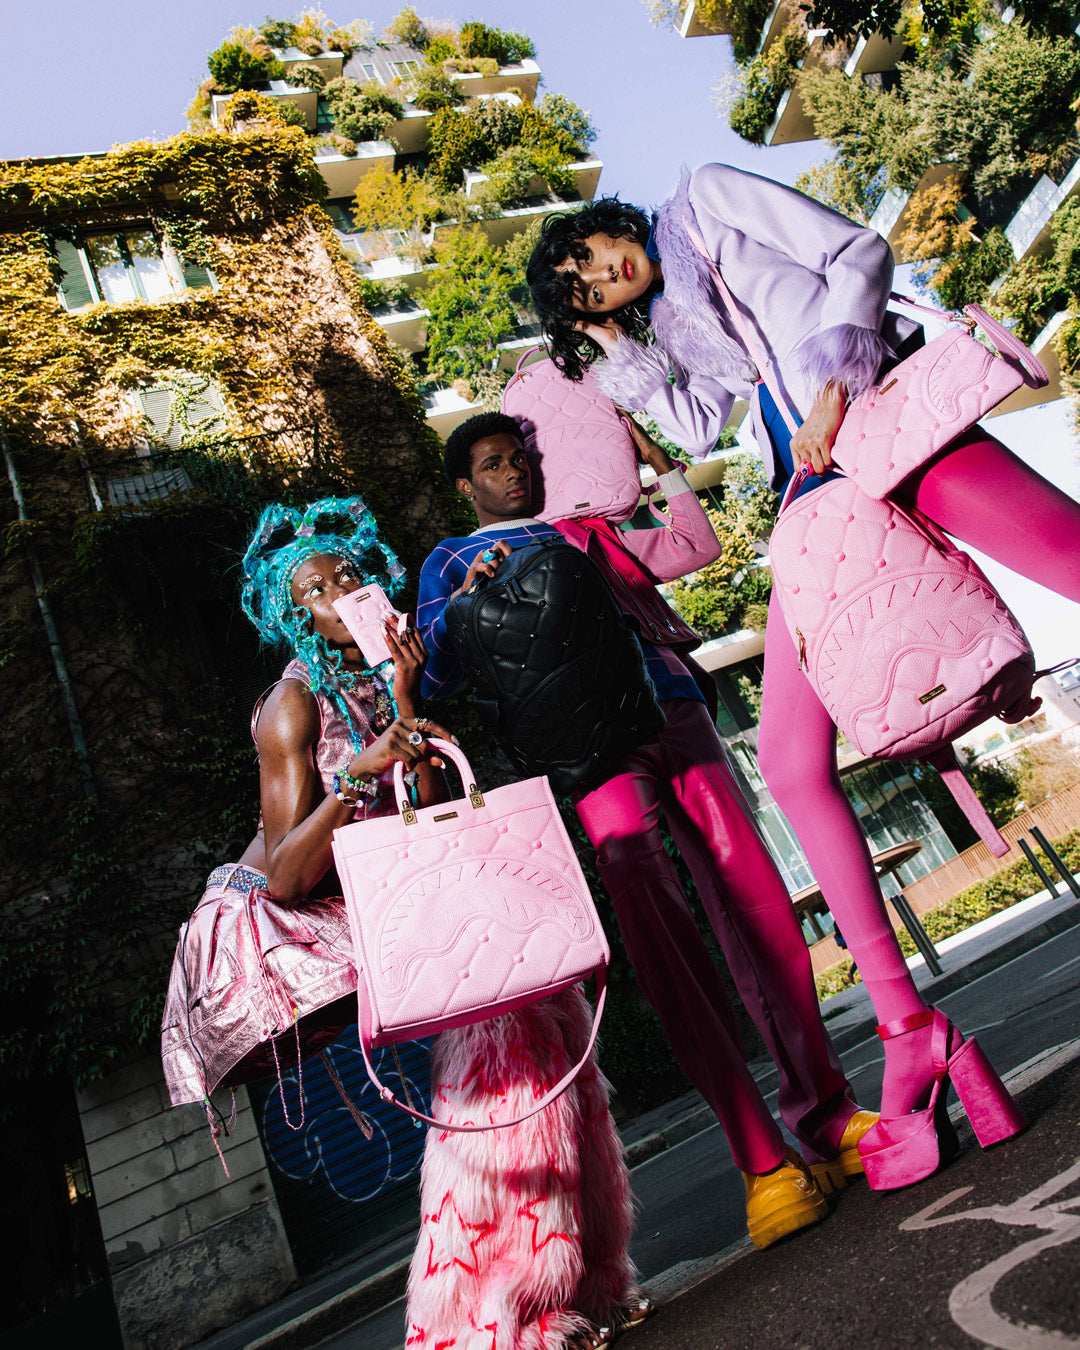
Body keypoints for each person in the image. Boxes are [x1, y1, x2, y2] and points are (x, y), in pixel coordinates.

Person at [525, 164, 1071, 1186]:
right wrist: (617, 358)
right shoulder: (675, 322)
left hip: (884, 425)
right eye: (582, 292)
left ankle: (917, 1040)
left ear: (607, 225)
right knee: (785, 758)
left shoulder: (705, 201)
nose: (600, 278)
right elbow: (699, 427)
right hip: (815, 496)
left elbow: (859, 251)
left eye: (589, 258)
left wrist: (831, 388)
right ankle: (910, 1029)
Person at [160, 497, 642, 1350]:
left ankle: (590, 1283)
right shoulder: (291, 705)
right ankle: (482, 1319)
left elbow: (427, 810)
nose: (341, 593)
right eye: (315, 590)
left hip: (423, 902)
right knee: (498, 1082)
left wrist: (404, 699)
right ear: (293, 617)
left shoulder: (383, 675)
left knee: (556, 1038)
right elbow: (285, 877)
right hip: (341, 921)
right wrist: (362, 770)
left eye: (348, 575)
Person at [418, 410, 878, 1249]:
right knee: (662, 938)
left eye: (520, 458)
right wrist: (461, 600)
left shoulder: (581, 526)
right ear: (463, 485)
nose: (513, 473)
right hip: (588, 748)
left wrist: (654, 462)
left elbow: (691, 546)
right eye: (492, 464)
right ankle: (761, 1159)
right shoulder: (449, 559)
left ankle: (827, 1112)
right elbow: (436, 671)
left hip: (673, 705)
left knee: (761, 909)